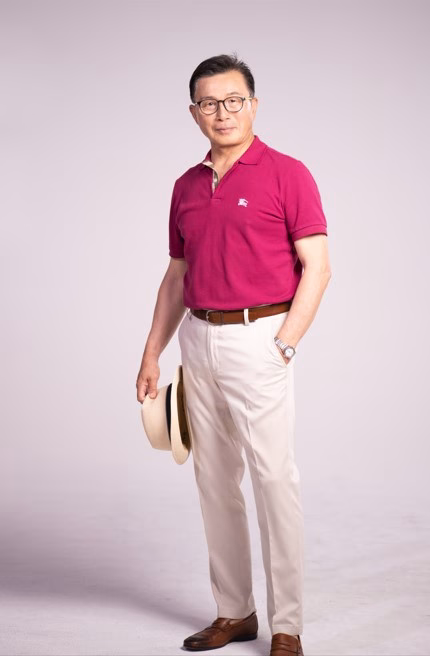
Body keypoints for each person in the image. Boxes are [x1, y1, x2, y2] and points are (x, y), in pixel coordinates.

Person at [136, 53, 332, 656]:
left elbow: (318, 268)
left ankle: (286, 625)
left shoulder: (288, 174)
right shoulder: (186, 186)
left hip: (261, 337)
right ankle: (234, 612)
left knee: (274, 480)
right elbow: (177, 275)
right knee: (214, 480)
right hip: (198, 338)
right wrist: (151, 353)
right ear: (194, 113)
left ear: (253, 104)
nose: (222, 113)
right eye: (209, 103)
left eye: (233, 101)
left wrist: (285, 344)